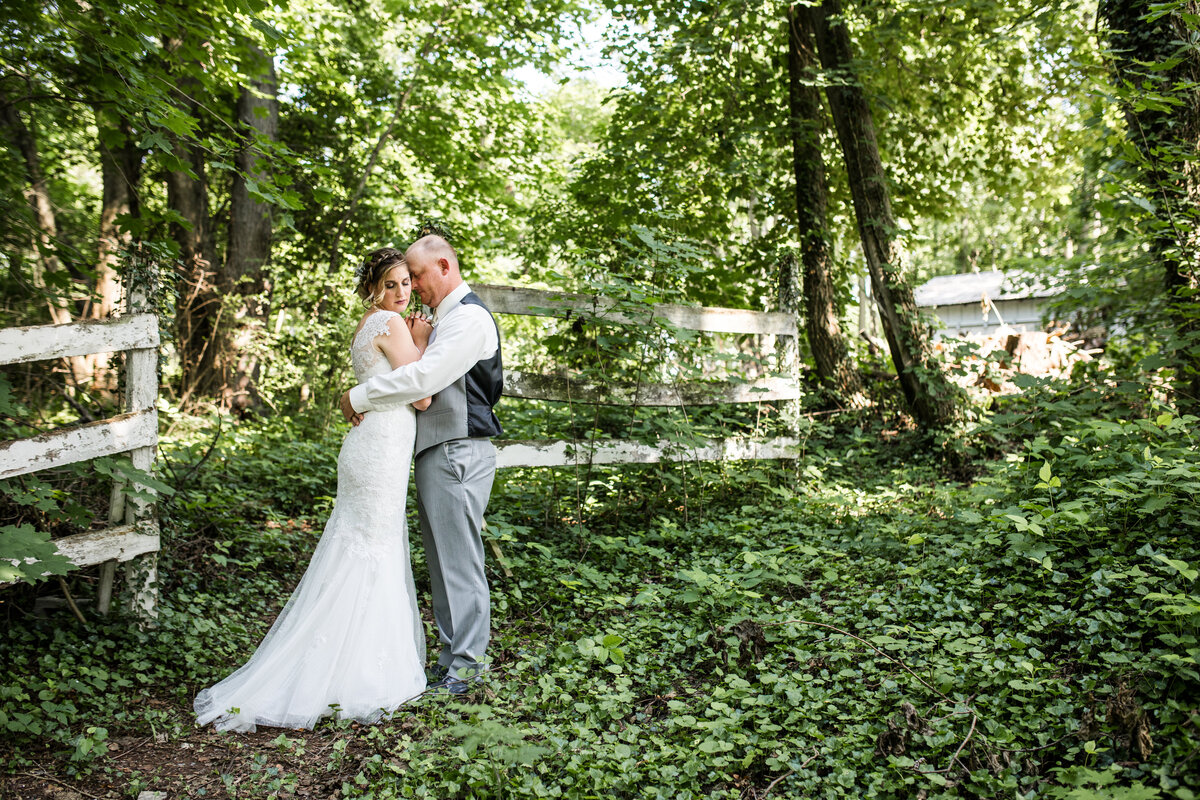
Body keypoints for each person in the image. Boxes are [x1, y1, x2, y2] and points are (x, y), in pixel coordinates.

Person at [195, 249, 432, 732]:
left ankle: (355, 660)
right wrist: (424, 338)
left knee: (365, 546)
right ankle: (361, 674)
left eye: (406, 282)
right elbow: (423, 394)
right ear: (372, 288)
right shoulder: (393, 324)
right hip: (380, 448)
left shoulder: (370, 322)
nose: (401, 293)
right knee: (372, 548)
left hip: (371, 447)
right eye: (391, 285)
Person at [339, 233, 502, 695]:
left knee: (460, 562)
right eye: (403, 279)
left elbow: (426, 379)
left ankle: (467, 670)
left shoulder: (468, 319)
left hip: (459, 448)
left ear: (445, 267)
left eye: (417, 277)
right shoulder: (436, 321)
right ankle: (453, 661)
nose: (414, 287)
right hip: (436, 449)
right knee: (442, 562)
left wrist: (360, 395)